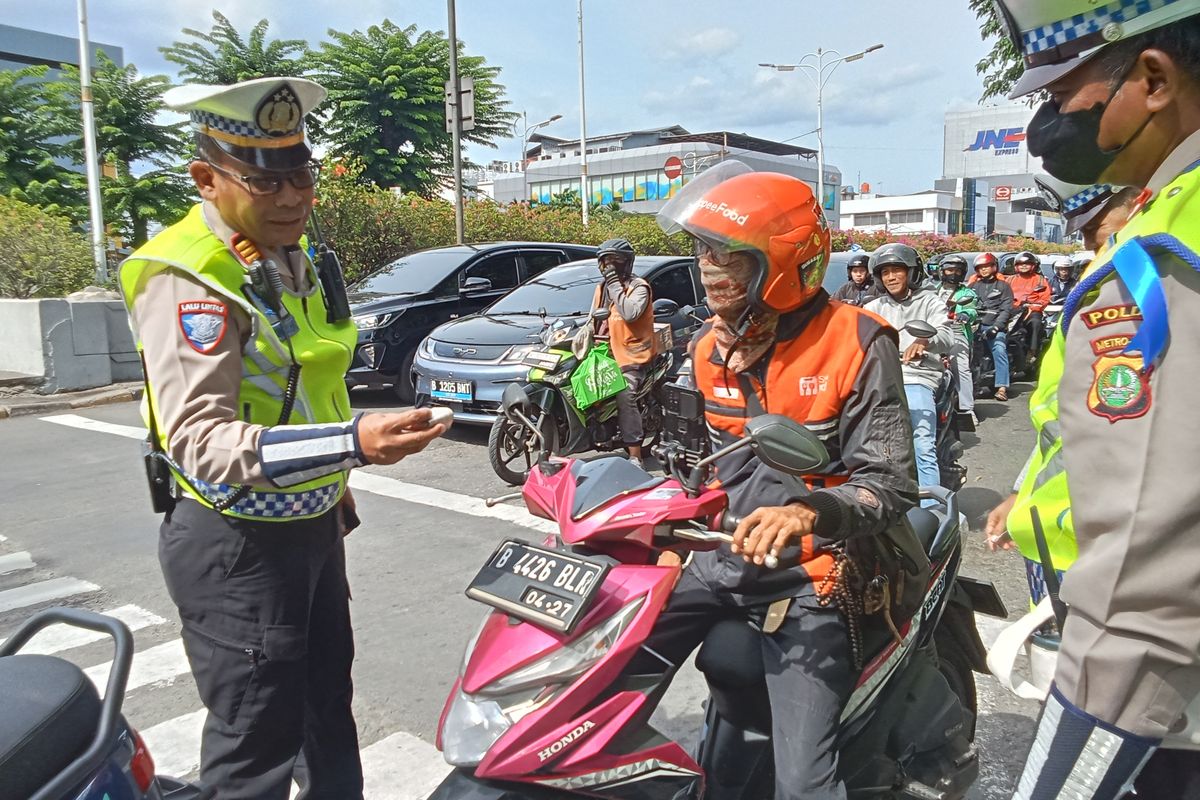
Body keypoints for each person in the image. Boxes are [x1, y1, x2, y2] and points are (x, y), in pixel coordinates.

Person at [117, 78, 447, 800]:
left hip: (309, 525)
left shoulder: (288, 253)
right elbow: (200, 440)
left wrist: (337, 493)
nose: (294, 197)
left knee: (328, 710)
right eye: (267, 181)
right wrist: (352, 444)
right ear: (206, 177)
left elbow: (306, 382)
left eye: (303, 175)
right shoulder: (189, 277)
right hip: (236, 542)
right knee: (256, 745)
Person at [650, 161, 919, 799]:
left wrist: (805, 514)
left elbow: (889, 483)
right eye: (704, 252)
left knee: (803, 785)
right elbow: (693, 465)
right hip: (722, 562)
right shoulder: (706, 348)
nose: (710, 271)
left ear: (783, 265)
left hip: (814, 578)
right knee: (591, 681)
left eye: (731, 258)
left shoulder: (856, 341)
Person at [992, 3, 1200, 796]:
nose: (1047, 122)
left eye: (1061, 93)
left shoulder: (1167, 250)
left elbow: (1148, 567)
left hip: (1166, 706)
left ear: (1152, 79)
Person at [864, 244, 955, 492]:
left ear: (912, 272)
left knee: (921, 441)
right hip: (880, 379)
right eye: (885, 272)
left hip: (917, 376)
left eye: (897, 270)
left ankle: (933, 505)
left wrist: (924, 340)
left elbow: (948, 337)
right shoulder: (873, 308)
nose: (891, 277)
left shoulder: (929, 302)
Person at [591, 237, 655, 468]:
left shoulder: (639, 287)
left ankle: (635, 454)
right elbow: (593, 319)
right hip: (603, 353)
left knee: (624, 394)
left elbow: (630, 313)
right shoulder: (600, 288)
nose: (608, 267)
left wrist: (615, 284)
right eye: (604, 262)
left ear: (626, 262)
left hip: (631, 357)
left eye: (614, 261)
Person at [934, 255, 979, 424]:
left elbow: (971, 308)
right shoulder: (932, 290)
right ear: (942, 271)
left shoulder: (967, 292)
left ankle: (967, 409)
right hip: (934, 331)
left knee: (960, 367)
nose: (953, 273)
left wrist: (965, 314)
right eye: (949, 270)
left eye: (957, 271)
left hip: (957, 332)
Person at [969, 253, 1015, 400]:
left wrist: (996, 327)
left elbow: (1006, 309)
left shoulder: (1004, 286)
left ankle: (1001, 387)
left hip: (993, 326)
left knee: (999, 349)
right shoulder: (973, 286)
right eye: (980, 267)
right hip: (974, 326)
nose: (984, 270)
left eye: (987, 266)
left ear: (994, 267)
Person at [1007, 251, 1052, 357]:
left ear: (1033, 265)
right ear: (1016, 266)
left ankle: (1032, 352)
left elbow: (1045, 298)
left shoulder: (1040, 279)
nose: (1023, 266)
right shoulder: (1009, 279)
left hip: (1031, 311)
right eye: (1020, 264)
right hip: (1012, 310)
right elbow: (1003, 295)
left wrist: (1033, 305)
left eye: (1027, 264)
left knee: (1035, 323)